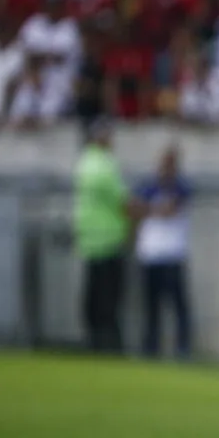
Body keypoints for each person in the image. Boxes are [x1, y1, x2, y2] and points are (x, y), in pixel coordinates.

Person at [72, 118, 135, 354]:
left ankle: (92, 340)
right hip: (109, 238)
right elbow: (123, 201)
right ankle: (109, 344)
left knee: (92, 293)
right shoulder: (105, 165)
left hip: (88, 239)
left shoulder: (84, 162)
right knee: (110, 297)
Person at [133, 145, 194, 359]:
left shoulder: (181, 186)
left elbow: (170, 209)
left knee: (178, 307)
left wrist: (150, 209)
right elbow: (133, 207)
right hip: (151, 255)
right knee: (151, 307)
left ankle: (183, 348)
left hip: (173, 254)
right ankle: (151, 348)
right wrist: (153, 209)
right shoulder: (149, 185)